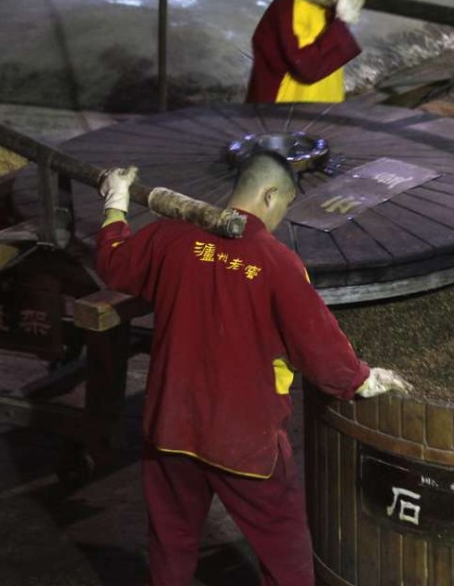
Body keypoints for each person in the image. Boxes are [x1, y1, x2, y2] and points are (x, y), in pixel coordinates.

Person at [95, 152, 410, 585]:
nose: (281, 217)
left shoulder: (171, 236)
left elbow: (114, 264)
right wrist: (361, 379)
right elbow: (319, 348)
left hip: (171, 427)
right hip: (243, 441)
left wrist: (116, 202)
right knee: (286, 555)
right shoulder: (278, 265)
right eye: (283, 206)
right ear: (269, 194)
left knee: (170, 544)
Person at [246, 0, 370, 104]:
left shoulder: (330, 6)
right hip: (282, 117)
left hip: (317, 113)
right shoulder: (289, 4)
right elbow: (306, 68)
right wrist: (342, 21)